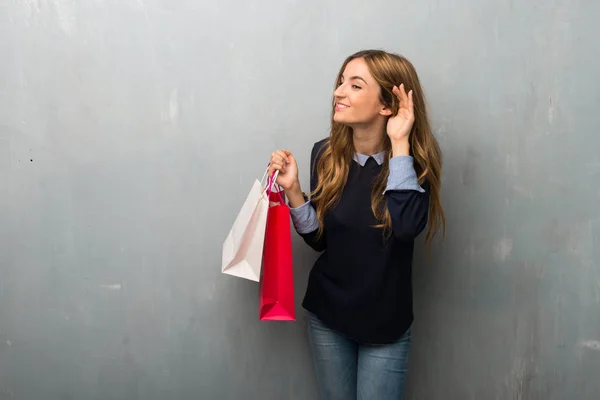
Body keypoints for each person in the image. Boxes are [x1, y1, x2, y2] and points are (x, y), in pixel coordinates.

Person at [268, 49, 446, 400]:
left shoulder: (414, 166)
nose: (338, 92)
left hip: (385, 325)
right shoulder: (325, 154)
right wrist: (294, 193)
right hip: (327, 316)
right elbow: (321, 240)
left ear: (386, 106)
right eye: (340, 82)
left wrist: (399, 144)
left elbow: (407, 228)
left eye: (355, 85)